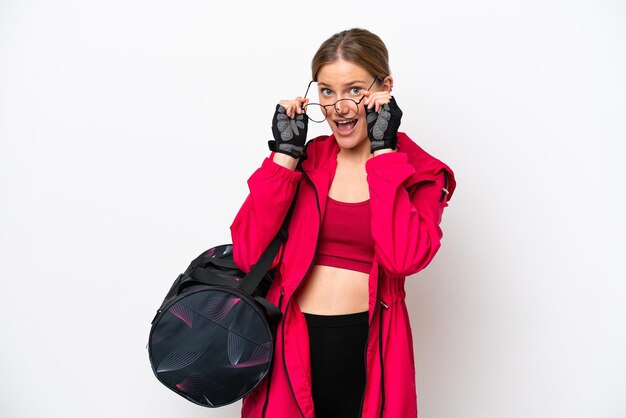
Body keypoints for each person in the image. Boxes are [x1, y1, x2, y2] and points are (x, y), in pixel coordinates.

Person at [230, 27, 456, 418]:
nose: (339, 107)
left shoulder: (421, 172)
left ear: (385, 87)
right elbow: (248, 254)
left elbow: (404, 259)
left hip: (372, 346)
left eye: (354, 90)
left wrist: (384, 153)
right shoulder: (307, 161)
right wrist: (285, 156)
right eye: (327, 91)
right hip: (290, 343)